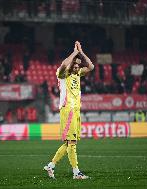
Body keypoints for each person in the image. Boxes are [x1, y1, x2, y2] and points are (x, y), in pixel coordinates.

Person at [43, 41, 94, 179]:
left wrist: (81, 52)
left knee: (70, 143)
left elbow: (91, 66)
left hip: (76, 110)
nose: (77, 67)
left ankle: (51, 166)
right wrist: (74, 52)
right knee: (72, 143)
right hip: (68, 109)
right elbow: (65, 65)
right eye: (75, 65)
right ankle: (76, 172)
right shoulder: (63, 75)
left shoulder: (77, 74)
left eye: (78, 66)